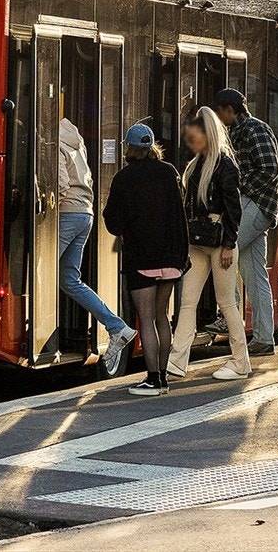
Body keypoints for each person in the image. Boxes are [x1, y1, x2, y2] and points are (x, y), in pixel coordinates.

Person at [102, 123, 189, 397]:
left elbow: (113, 224)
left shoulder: (124, 178)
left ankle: (151, 380)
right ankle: (163, 378)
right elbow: (181, 210)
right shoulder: (170, 173)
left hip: (142, 258)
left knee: (146, 319)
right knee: (163, 317)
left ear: (129, 148)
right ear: (152, 147)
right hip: (172, 257)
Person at [167, 107, 250, 382]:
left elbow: (233, 208)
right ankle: (177, 361)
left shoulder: (223, 164)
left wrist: (229, 244)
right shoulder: (200, 164)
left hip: (217, 241)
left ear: (208, 134)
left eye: (195, 137)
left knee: (226, 303)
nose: (191, 143)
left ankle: (241, 362)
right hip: (201, 241)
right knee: (187, 302)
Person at [57, 118, 137, 376]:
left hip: (66, 212)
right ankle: (116, 327)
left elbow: (59, 183)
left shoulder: (53, 140)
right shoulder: (75, 139)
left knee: (41, 274)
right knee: (69, 280)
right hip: (85, 214)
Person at [212, 88, 278, 356]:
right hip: (255, 205)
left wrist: (239, 189)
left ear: (230, 110)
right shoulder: (237, 133)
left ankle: (227, 316)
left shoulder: (255, 130)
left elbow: (270, 170)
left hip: (257, 205)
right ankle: (264, 338)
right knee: (255, 276)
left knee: (223, 250)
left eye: (219, 111)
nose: (218, 116)